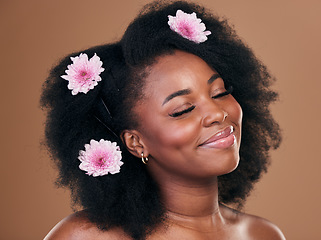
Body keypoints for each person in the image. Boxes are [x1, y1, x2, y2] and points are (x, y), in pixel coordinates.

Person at [41, 1, 285, 239]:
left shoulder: (262, 234)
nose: (217, 113)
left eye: (220, 92)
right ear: (136, 143)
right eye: (183, 110)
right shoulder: (86, 236)